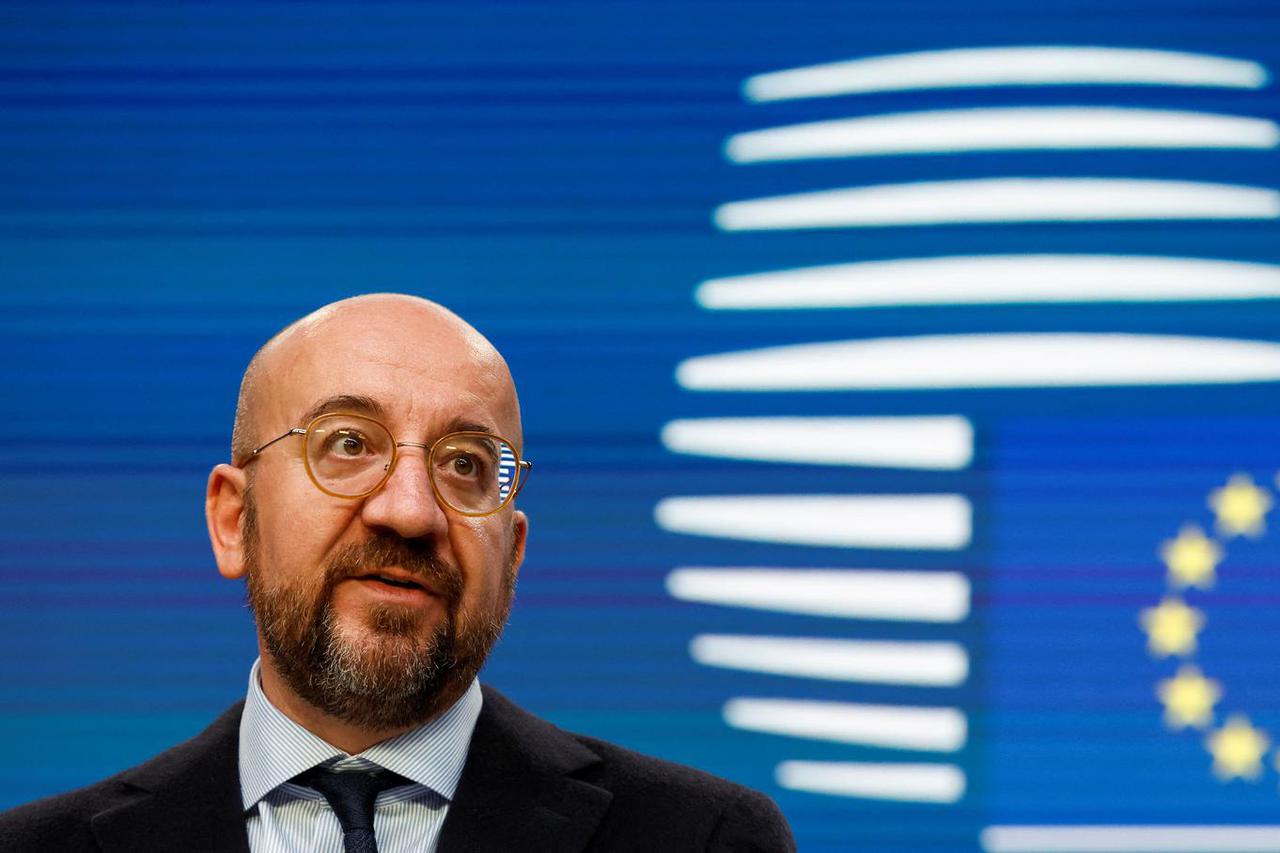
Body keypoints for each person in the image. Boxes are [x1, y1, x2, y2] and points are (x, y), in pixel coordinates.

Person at [0, 294, 796, 852]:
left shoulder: (701, 838)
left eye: (464, 463)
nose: (410, 511)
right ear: (233, 518)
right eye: (348, 443)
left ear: (512, 554)